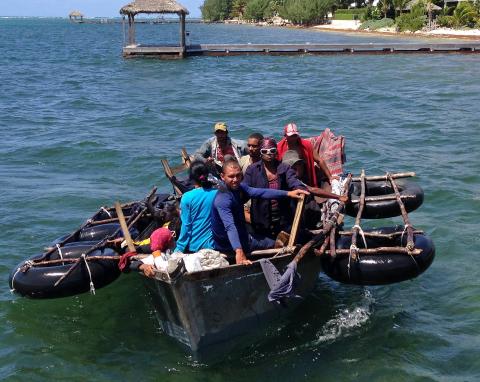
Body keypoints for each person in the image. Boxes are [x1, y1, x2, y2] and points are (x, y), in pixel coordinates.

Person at [211, 160, 309, 265]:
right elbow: (230, 226)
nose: (235, 180)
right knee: (276, 244)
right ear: (222, 176)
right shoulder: (222, 199)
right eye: (231, 176)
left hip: (241, 235)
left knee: (266, 238)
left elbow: (260, 192)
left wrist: (289, 193)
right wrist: (239, 251)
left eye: (238, 175)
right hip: (228, 244)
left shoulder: (240, 187)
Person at [244, 138, 306, 239]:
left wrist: (299, 188)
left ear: (276, 151)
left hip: (283, 216)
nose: (269, 154)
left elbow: (293, 181)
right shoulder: (252, 170)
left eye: (272, 151)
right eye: (265, 151)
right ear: (260, 152)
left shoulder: (284, 168)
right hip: (261, 218)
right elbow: (244, 188)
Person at [174, 161, 218, 253]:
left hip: (194, 247)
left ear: (191, 178)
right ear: (207, 175)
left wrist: (179, 249)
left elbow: (186, 226)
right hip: (215, 245)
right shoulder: (218, 193)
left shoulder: (187, 197)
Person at [277, 122, 334, 187]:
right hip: (287, 177)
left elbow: (319, 160)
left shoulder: (306, 145)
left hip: (304, 176)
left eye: (295, 135)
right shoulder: (279, 148)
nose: (293, 138)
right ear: (285, 136)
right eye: (291, 136)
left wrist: (330, 177)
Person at [282, 150, 348, 203]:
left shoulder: (279, 174)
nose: (301, 167)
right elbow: (313, 190)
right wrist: (338, 197)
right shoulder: (292, 179)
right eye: (298, 165)